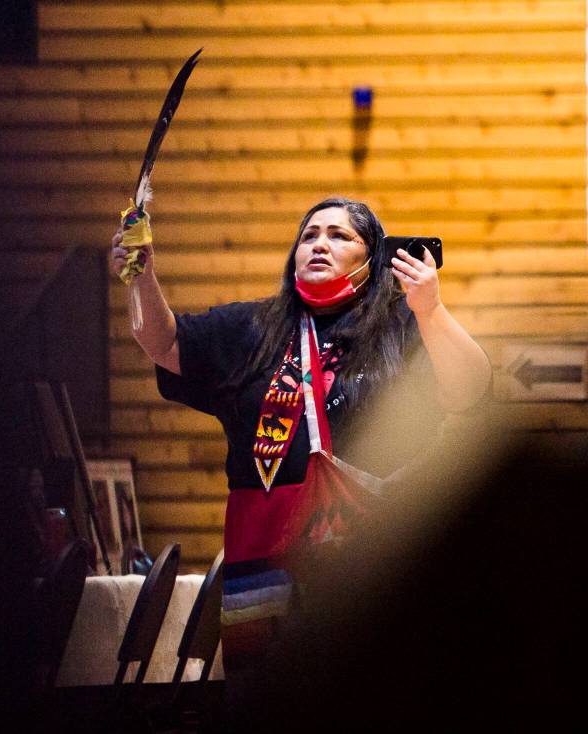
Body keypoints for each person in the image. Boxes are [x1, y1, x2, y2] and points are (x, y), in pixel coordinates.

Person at [110, 196, 492, 720]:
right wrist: (141, 276)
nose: (319, 244)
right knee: (268, 709)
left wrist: (431, 309)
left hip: (373, 564)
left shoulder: (401, 327)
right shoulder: (250, 329)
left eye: (339, 236)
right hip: (265, 570)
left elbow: (471, 390)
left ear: (373, 257)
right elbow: (163, 343)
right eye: (309, 235)